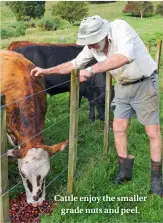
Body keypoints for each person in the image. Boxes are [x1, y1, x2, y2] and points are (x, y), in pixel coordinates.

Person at [31, 15, 162, 196]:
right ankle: (124, 171)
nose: (90, 46)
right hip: (123, 85)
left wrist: (91, 70)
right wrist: (46, 71)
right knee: (118, 128)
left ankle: (156, 180)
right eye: (88, 43)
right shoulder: (93, 47)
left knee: (152, 132)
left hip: (145, 82)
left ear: (102, 34)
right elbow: (74, 64)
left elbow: (125, 56)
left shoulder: (120, 28)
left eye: (92, 42)